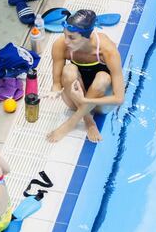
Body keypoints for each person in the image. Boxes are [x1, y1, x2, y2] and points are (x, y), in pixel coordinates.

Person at [46, 9, 125, 143]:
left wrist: (86, 101)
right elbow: (57, 83)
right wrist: (55, 91)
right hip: (74, 99)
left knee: (103, 78)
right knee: (68, 70)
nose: (66, 41)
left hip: (100, 103)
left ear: (87, 36)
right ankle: (88, 120)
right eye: (65, 35)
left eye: (71, 37)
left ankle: (71, 123)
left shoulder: (107, 51)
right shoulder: (61, 45)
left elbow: (119, 98)